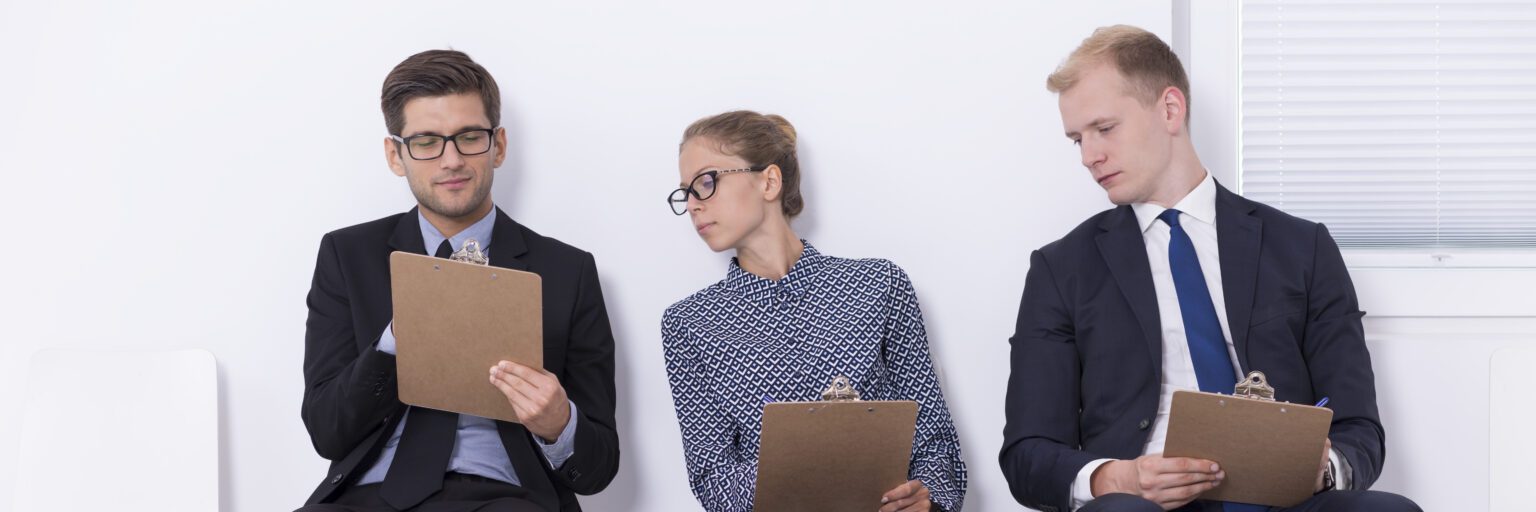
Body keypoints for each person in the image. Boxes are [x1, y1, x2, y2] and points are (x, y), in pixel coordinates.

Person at [998, 26, 1420, 512]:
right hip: (1145, 505)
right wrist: (1118, 478)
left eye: (1104, 128)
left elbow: (1359, 428)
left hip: (1287, 499)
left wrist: (1322, 467)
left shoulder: (1302, 248)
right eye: (1077, 139)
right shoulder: (1062, 269)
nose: (1090, 156)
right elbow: (1028, 454)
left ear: (1170, 109)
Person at [297, 49, 619, 512]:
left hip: (507, 497)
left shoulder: (567, 271)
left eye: (469, 137)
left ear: (499, 145)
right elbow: (327, 431)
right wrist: (393, 343)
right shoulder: (347, 256)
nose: (450, 160)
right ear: (395, 154)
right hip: (366, 498)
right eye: (427, 142)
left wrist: (558, 422)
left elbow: (599, 467)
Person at [660, 111, 968, 512]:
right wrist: (812, 451)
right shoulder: (689, 324)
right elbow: (713, 480)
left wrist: (927, 501)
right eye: (686, 193)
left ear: (769, 181)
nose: (694, 206)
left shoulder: (879, 285)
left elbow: (935, 442)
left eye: (706, 182)